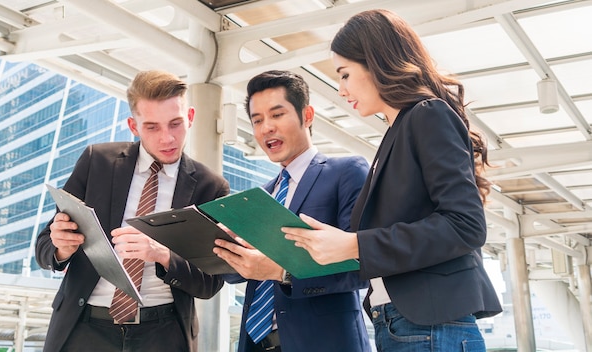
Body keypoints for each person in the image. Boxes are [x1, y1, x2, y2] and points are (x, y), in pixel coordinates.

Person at [282, 10, 503, 352]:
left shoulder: (428, 115)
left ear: (375, 62)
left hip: (430, 324)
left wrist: (355, 244)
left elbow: (466, 225)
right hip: (401, 323)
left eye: (345, 75)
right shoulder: (397, 131)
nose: (340, 90)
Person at [35, 70, 229, 352]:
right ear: (133, 125)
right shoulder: (96, 161)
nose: (167, 138)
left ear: (190, 117)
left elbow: (209, 284)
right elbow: (43, 248)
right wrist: (61, 246)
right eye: (152, 127)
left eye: (175, 123)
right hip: (83, 329)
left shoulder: (210, 187)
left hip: (162, 335)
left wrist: (161, 255)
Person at [213, 70, 371, 352]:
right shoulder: (260, 196)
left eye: (277, 115)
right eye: (257, 120)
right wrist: (228, 248)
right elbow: (242, 274)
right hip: (257, 344)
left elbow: (363, 266)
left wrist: (283, 271)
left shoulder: (346, 172)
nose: (266, 128)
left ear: (307, 115)